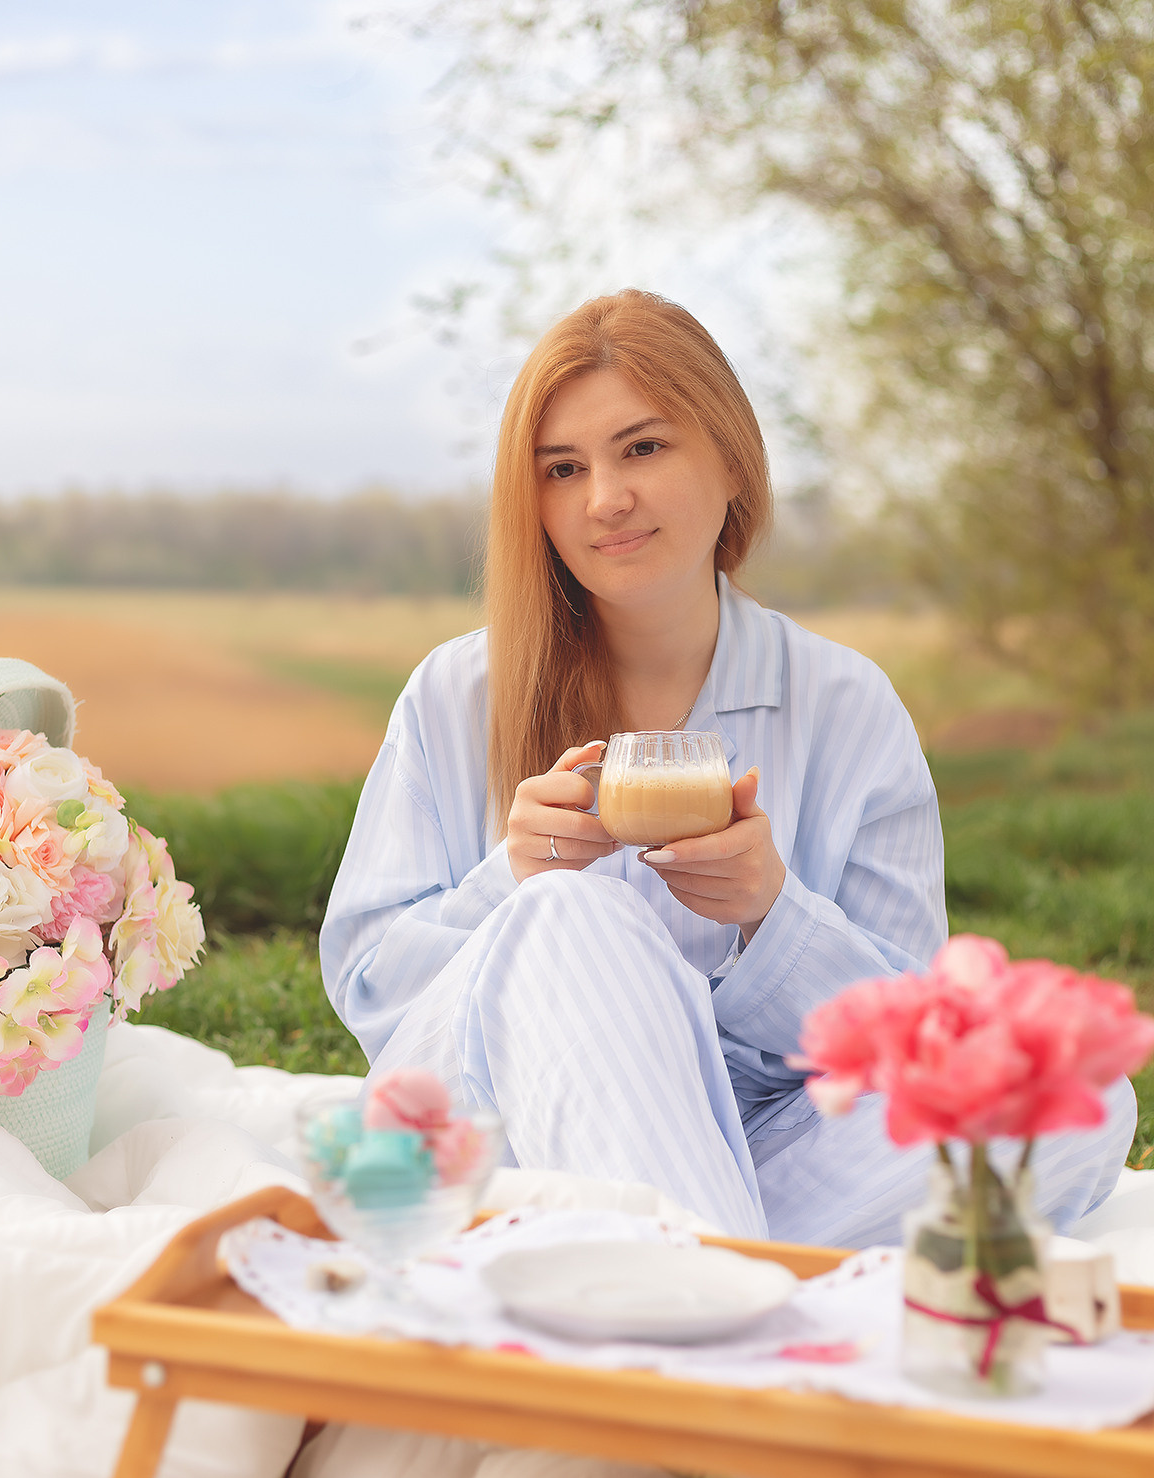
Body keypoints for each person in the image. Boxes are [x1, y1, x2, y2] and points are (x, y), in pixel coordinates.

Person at [320, 290, 1134, 1244]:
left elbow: (915, 1042)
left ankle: (688, 1258)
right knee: (572, 913)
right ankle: (713, 1280)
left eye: (643, 448)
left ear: (731, 458)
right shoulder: (459, 692)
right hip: (506, 1127)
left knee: (1074, 1092)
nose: (604, 498)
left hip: (765, 1144)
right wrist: (515, 880)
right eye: (563, 468)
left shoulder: (845, 706)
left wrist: (772, 916)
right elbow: (373, 985)